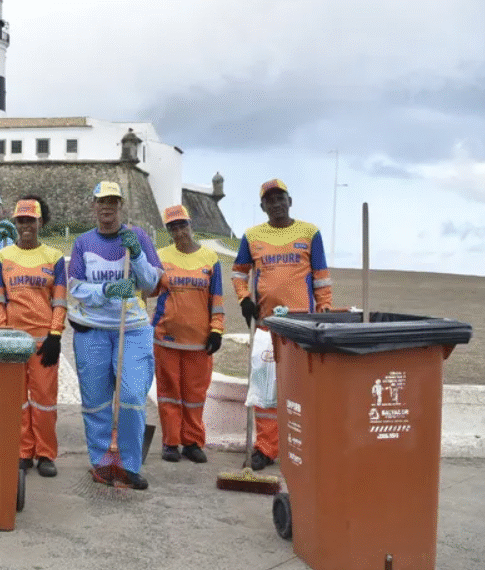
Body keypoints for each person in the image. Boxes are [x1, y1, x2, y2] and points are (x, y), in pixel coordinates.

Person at [232, 178, 332, 470]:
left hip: (303, 326)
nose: (276, 204)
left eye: (281, 198)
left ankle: (301, 447)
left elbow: (321, 277)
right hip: (267, 325)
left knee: (301, 390)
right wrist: (244, 299)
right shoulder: (252, 236)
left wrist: (324, 311)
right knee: (265, 389)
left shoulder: (310, 233)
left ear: (290, 201)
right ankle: (265, 448)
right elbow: (239, 274)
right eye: (269, 200)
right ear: (262, 206)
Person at [66, 181, 160, 490]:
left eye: (113, 201)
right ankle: (102, 461)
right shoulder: (83, 243)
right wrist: (106, 290)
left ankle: (130, 464)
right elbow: (76, 287)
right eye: (101, 201)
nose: (107, 207)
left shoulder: (139, 238)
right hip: (92, 329)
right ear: (93, 206)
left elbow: (149, 285)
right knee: (96, 400)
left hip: (131, 328)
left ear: (120, 206)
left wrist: (136, 254)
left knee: (133, 396)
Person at [0, 196, 66, 477]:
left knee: (44, 399)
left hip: (44, 339)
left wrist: (56, 334)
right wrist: (3, 334)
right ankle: (23, 451)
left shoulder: (55, 257)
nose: (26, 226)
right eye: (21, 221)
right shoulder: (2, 257)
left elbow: (59, 301)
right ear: (15, 223)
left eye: (31, 221)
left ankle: (45, 453)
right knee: (17, 400)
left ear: (40, 223)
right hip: (14, 341)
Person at [151, 204, 224, 464]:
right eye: (173, 227)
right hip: (166, 337)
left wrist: (216, 330)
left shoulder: (210, 258)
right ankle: (171, 442)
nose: (179, 231)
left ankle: (192, 442)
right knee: (168, 393)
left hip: (199, 341)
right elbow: (149, 290)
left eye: (182, 225)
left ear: (190, 225)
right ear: (168, 231)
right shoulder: (160, 256)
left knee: (194, 395)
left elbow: (216, 299)